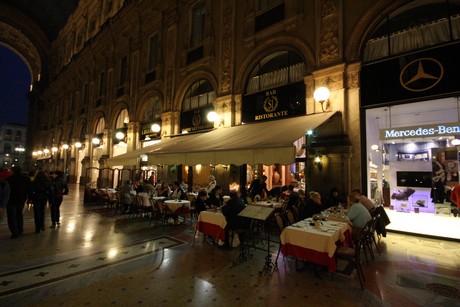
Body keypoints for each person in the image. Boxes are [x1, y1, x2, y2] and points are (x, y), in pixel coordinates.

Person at [6, 166, 32, 238]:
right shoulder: (26, 179)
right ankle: (20, 230)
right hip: (21, 200)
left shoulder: (9, 179)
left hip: (11, 200)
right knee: (19, 215)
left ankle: (14, 232)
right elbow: (30, 189)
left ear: (13, 171)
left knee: (11, 217)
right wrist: (29, 198)